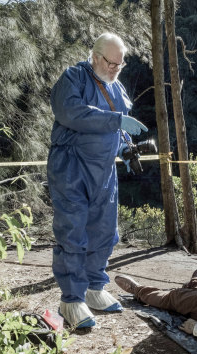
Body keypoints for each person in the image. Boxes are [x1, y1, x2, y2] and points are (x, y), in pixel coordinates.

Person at [48, 32, 148, 328]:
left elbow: (118, 129)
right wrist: (117, 121)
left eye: (120, 64)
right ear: (95, 56)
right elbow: (73, 114)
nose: (115, 69)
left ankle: (94, 288)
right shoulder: (73, 78)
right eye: (111, 63)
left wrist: (127, 149)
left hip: (103, 171)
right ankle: (72, 300)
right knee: (73, 232)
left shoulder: (116, 88)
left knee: (105, 231)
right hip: (72, 167)